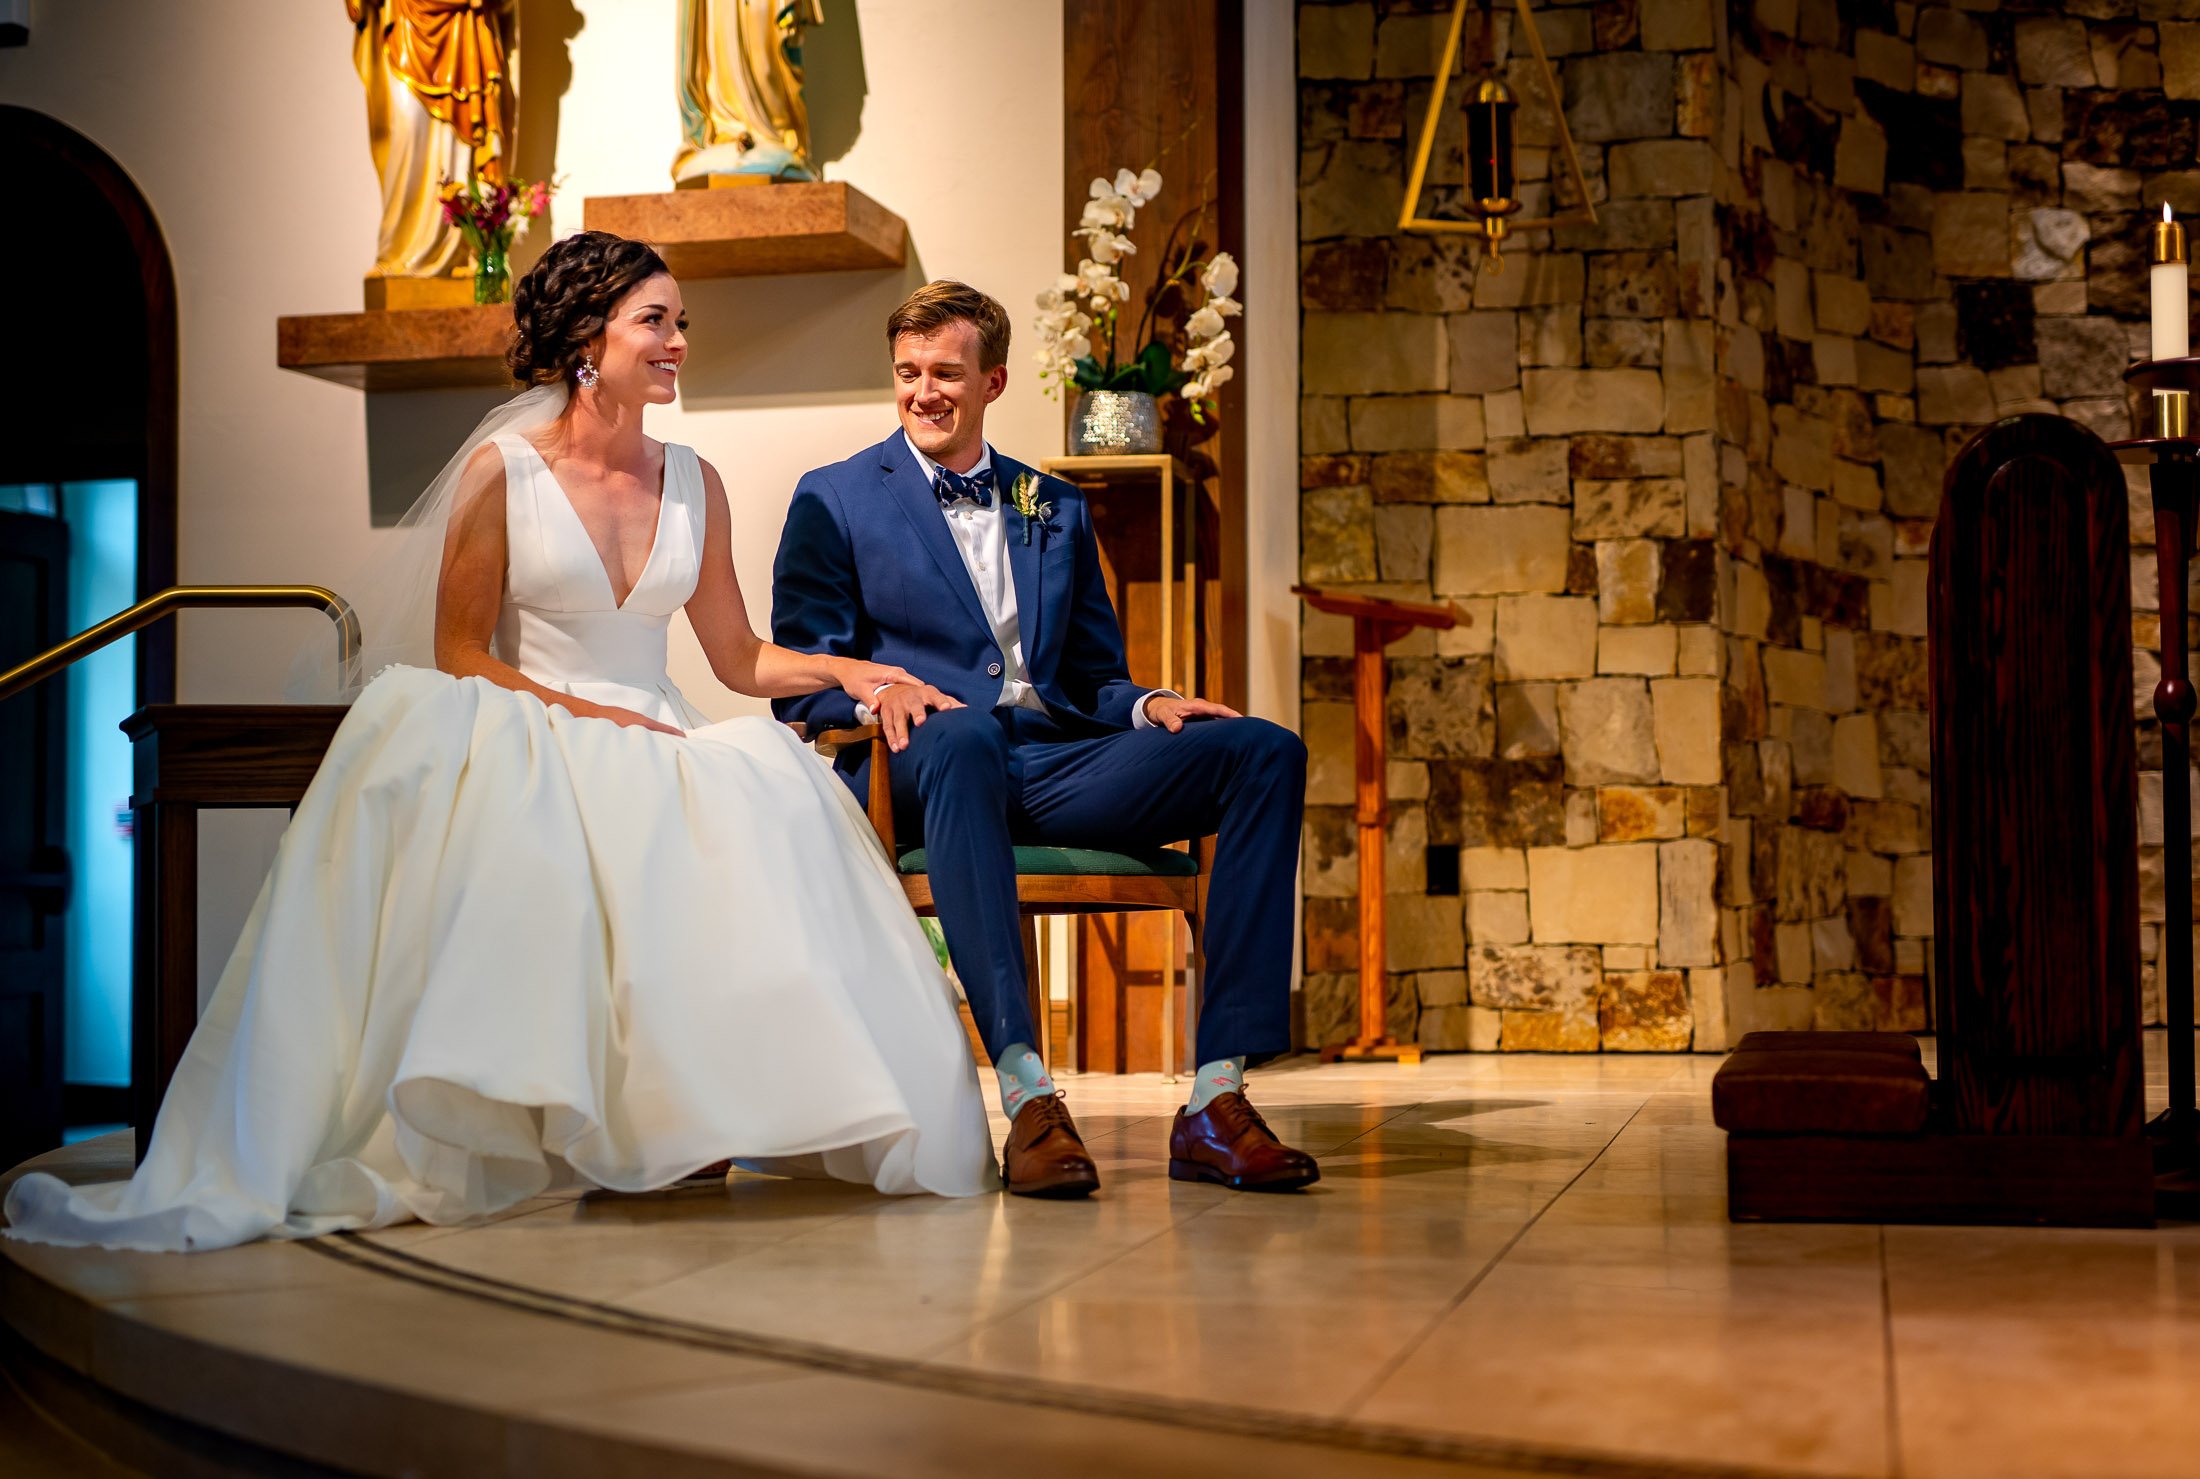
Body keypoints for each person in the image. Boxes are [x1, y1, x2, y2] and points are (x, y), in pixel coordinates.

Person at [3, 233, 996, 1253]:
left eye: (680, 323)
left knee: (758, 786)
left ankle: (691, 1117)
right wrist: (597, 720)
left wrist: (850, 671)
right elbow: (462, 652)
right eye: (655, 321)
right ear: (586, 338)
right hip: (532, 716)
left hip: (656, 723)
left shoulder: (695, 481)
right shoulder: (504, 471)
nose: (677, 343)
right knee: (608, 813)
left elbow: (738, 657)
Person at [771, 281, 1318, 1198]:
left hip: (1057, 759)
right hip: (925, 759)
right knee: (965, 740)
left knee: (1264, 750)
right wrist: (878, 698)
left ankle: (1217, 1098)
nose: (922, 392)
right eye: (907, 373)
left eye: (945, 372)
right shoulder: (834, 498)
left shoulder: (1049, 505)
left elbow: (1095, 675)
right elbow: (804, 683)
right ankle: (1029, 1097)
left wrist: (1149, 706)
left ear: (994, 381)